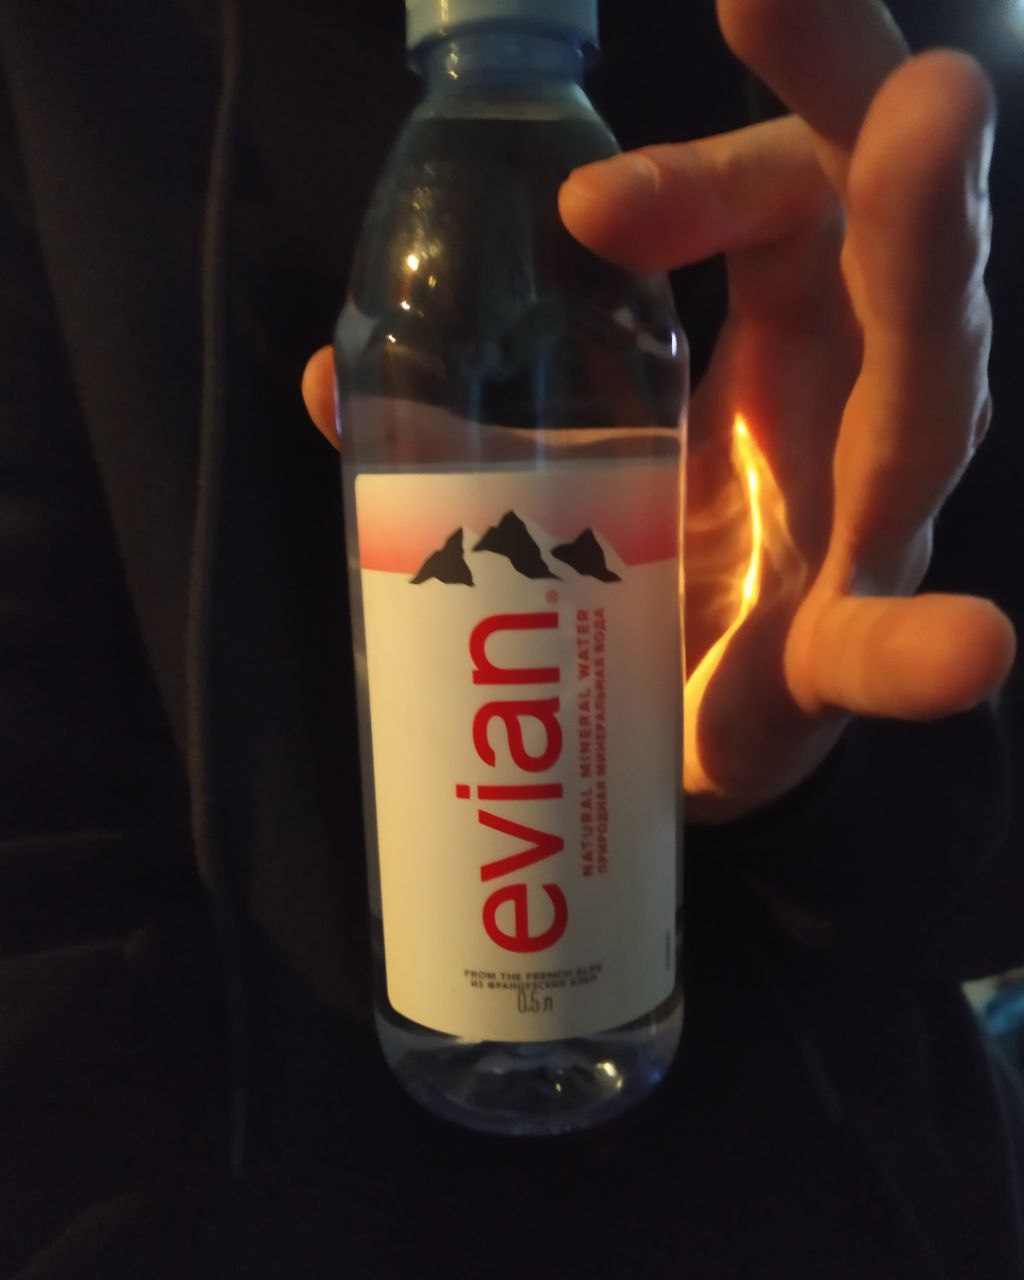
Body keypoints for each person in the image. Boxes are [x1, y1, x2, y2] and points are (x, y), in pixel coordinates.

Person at [0, 0, 1021, 1277]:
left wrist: (817, 771)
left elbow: (987, 890)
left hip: (843, 1202)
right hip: (270, 1189)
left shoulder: (886, 88)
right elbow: (32, 803)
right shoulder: (61, 56)